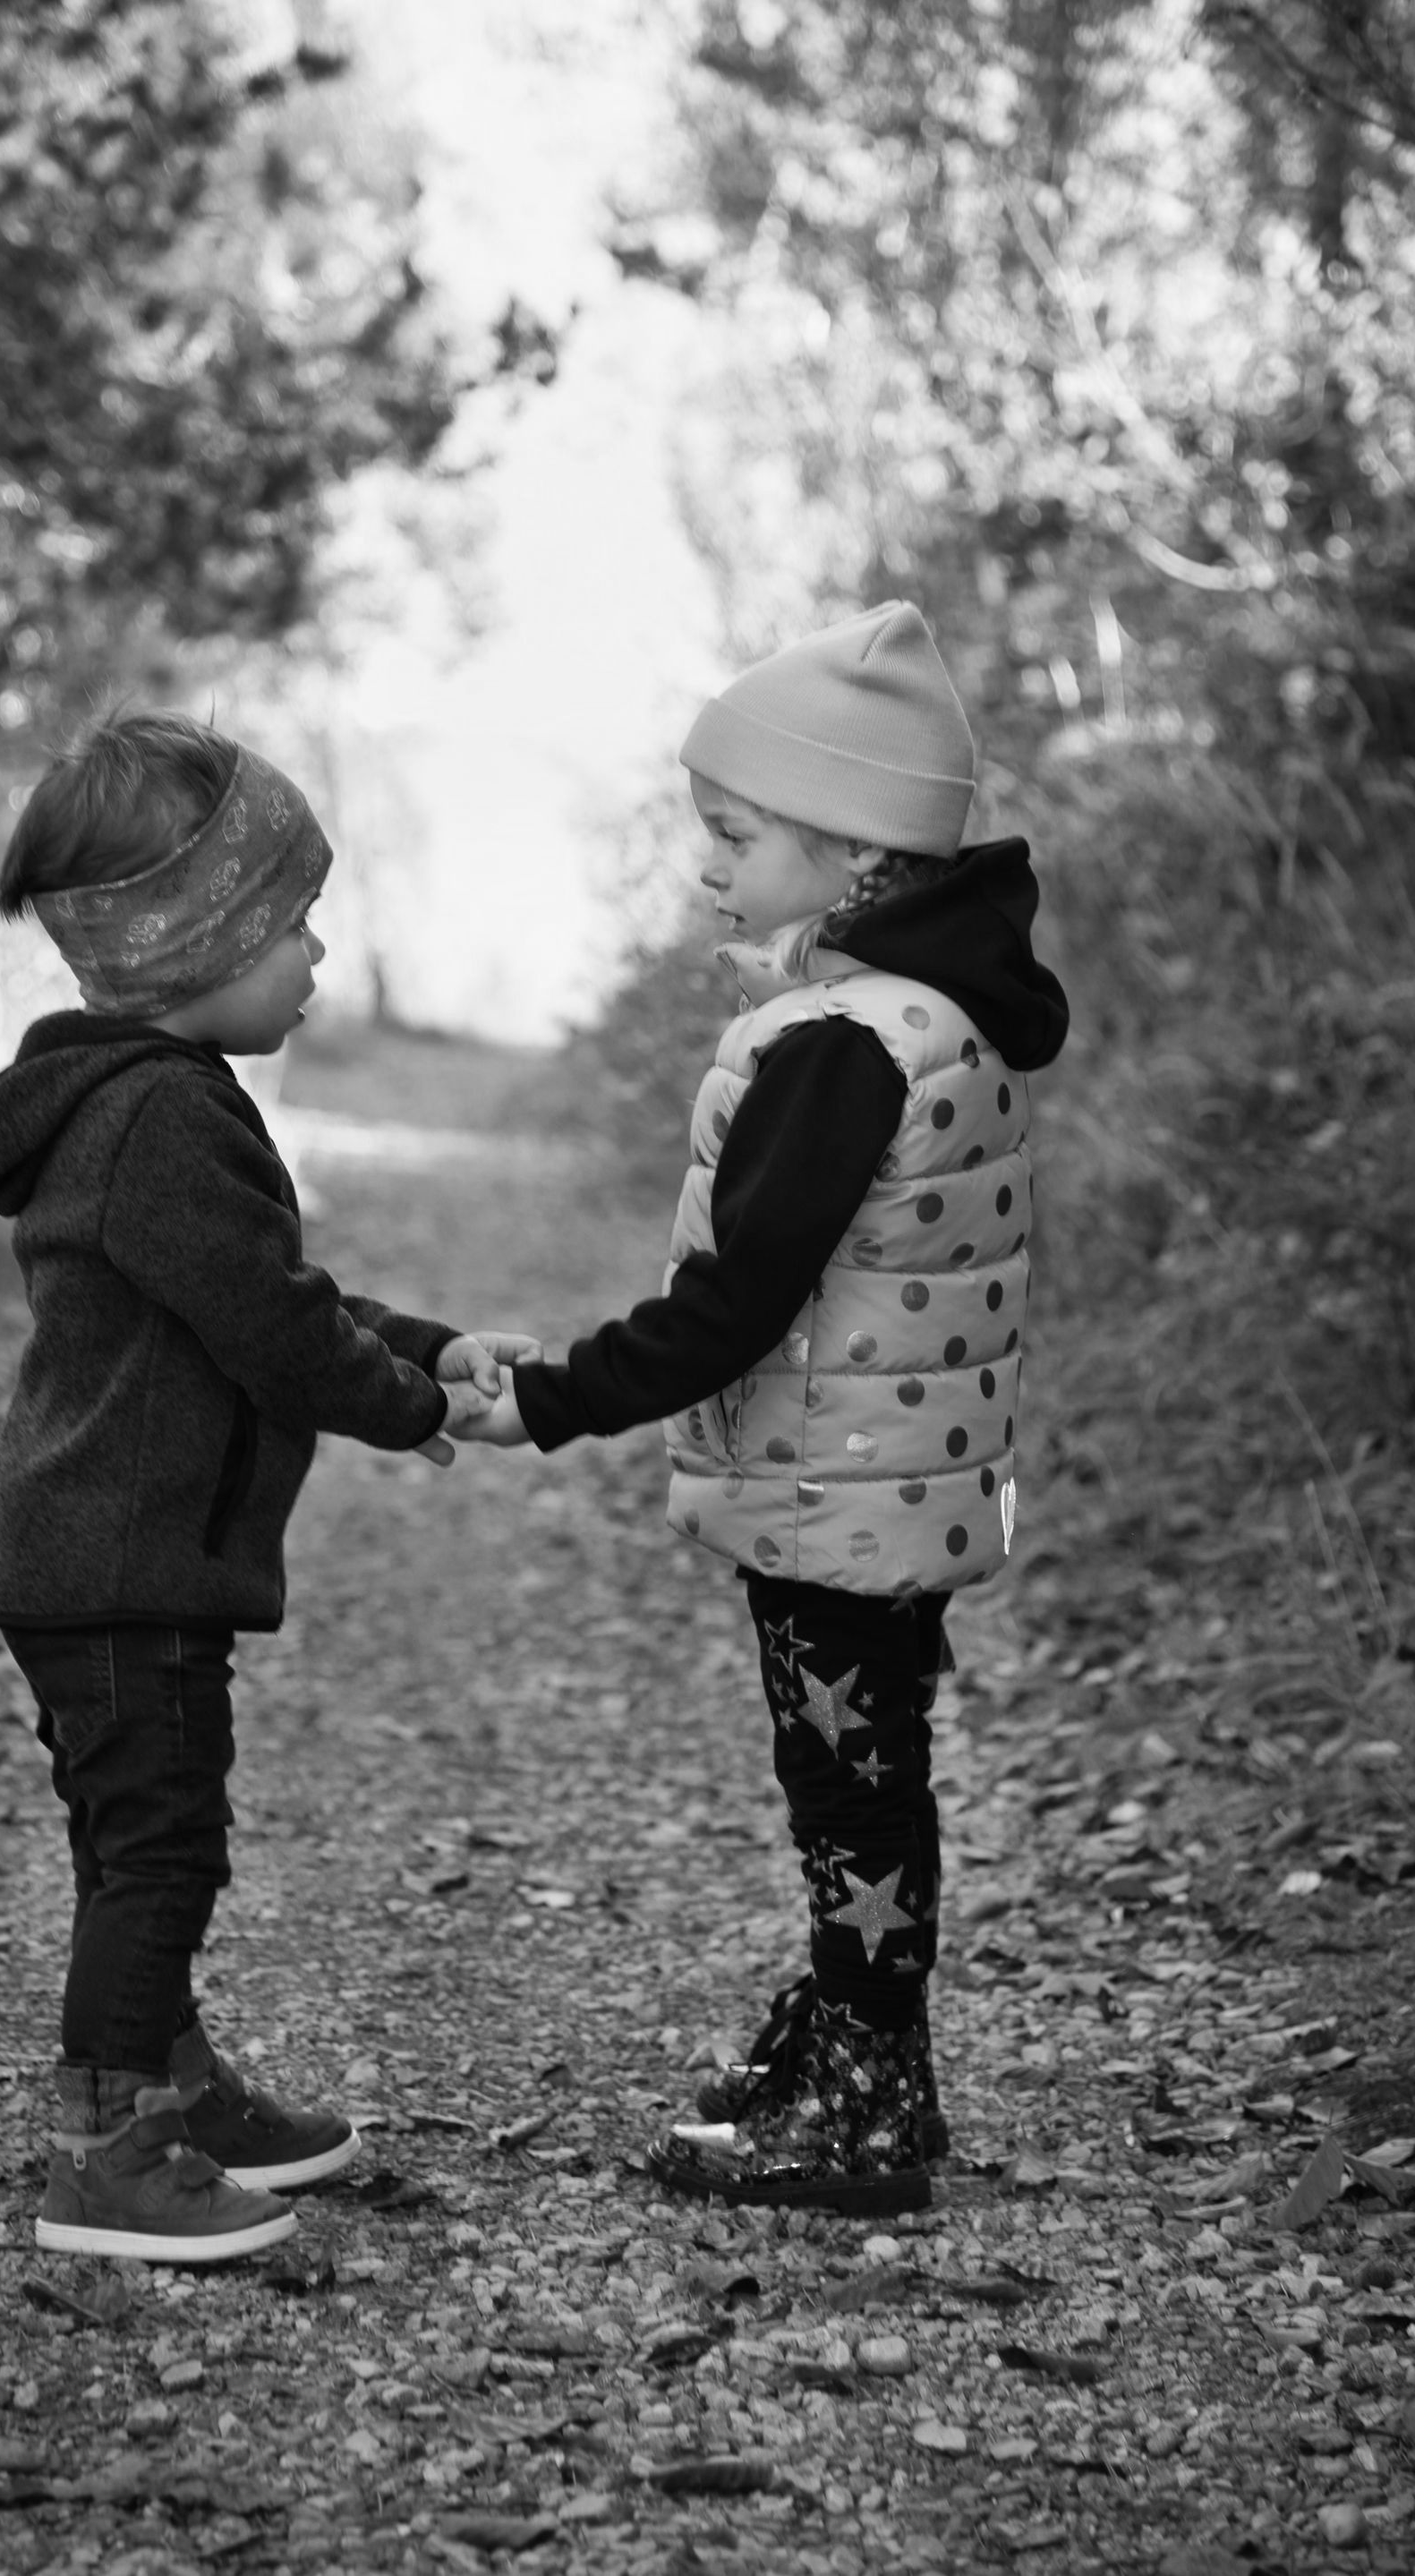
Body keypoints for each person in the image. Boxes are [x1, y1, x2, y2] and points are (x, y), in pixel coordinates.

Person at [461, 603, 1069, 2213]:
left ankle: (870, 2091)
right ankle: (852, 2043)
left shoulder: (840, 1046)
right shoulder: (945, 1017)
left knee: (851, 1786)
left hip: (835, 1495)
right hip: (900, 1482)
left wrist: (549, 1395)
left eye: (734, 835)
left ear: (853, 850)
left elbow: (737, 1305)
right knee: (866, 1773)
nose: (708, 867)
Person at [0, 712, 536, 2262]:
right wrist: (414, 1405)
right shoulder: (162, 1112)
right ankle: (107, 2151)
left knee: (133, 1841)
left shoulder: (140, 1095)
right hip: (121, 1563)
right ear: (188, 943)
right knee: (160, 1853)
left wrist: (429, 1344)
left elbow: (260, 1288)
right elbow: (273, 1328)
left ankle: (175, 2086)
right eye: (288, 925)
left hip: (99, 1557)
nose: (317, 951)